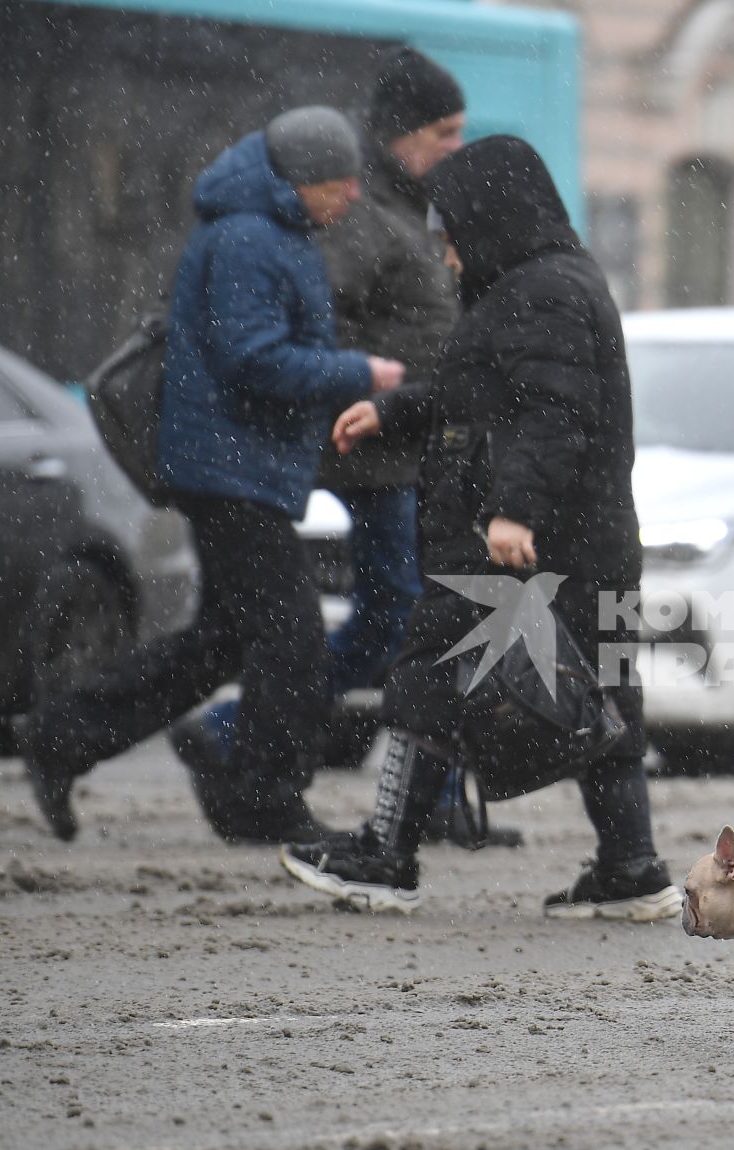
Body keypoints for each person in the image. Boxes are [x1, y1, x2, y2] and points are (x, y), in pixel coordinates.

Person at [279, 136, 680, 921]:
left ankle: (385, 855)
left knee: (431, 673)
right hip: (588, 544)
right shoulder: (546, 284)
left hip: (525, 551)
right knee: (605, 695)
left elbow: (554, 414)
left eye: (451, 231)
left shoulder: (542, 293)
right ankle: (631, 868)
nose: (446, 250)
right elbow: (480, 392)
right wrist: (392, 411)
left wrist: (513, 511)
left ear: (491, 219)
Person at [22, 106, 403, 844]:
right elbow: (251, 357)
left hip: (240, 466)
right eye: (340, 182)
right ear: (301, 181)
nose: (353, 196)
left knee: (226, 638)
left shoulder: (271, 232)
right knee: (291, 640)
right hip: (228, 471)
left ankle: (64, 736)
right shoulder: (246, 239)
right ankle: (264, 801)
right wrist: (359, 371)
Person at [173, 51, 522, 847]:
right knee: (399, 614)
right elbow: (318, 324)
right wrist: (380, 381)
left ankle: (420, 796)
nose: (455, 147)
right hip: (377, 448)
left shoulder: (408, 205)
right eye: (445, 132)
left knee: (419, 618)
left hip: (417, 443)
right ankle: (239, 732)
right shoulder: (359, 214)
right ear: (400, 134)